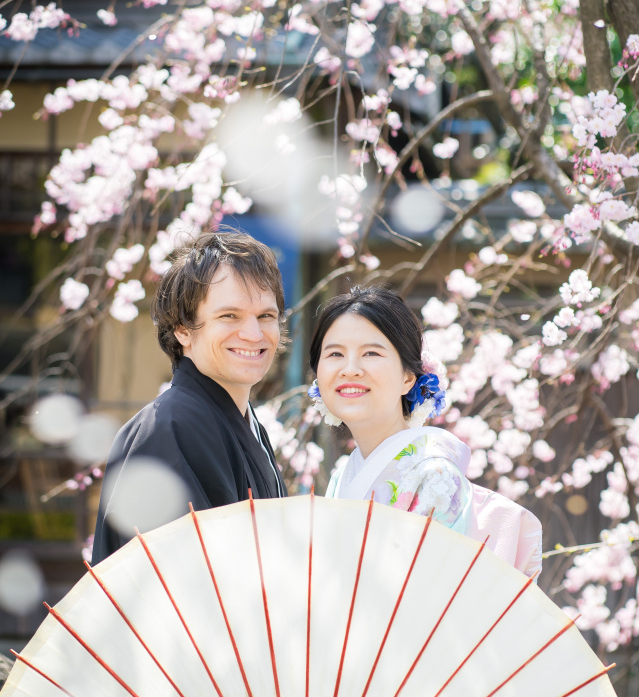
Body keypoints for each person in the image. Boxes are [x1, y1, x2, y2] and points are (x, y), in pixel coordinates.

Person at [308, 285, 542, 580]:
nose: (350, 369)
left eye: (370, 353)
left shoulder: (434, 474)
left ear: (408, 377)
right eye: (335, 354)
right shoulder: (343, 475)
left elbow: (433, 593)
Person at [92, 230, 286, 562]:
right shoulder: (169, 429)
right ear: (183, 328)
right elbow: (180, 581)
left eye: (265, 316)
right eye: (229, 316)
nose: (254, 334)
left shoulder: (245, 424)